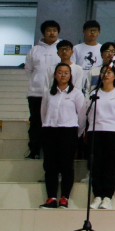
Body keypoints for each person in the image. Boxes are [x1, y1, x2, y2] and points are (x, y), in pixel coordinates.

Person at [39, 63, 86, 209]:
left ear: (70, 75)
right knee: (50, 166)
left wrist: (77, 133)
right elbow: (43, 113)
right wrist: (47, 127)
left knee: (66, 166)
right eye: (60, 72)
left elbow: (82, 116)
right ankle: (51, 197)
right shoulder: (48, 93)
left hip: (68, 131)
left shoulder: (76, 93)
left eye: (66, 73)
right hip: (50, 131)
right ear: (55, 75)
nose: (63, 75)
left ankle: (64, 197)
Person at [86, 66, 115, 210]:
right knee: (96, 165)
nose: (106, 74)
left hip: (113, 133)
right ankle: (97, 195)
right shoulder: (94, 93)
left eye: (109, 72)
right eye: (103, 72)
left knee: (110, 165)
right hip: (95, 132)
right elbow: (88, 113)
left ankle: (107, 197)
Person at [24, 20, 61, 159]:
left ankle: (52, 152)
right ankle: (34, 151)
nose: (52, 33)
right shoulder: (34, 50)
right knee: (36, 122)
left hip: (56, 93)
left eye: (54, 30)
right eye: (49, 30)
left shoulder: (62, 48)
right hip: (36, 93)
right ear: (43, 33)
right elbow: (28, 70)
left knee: (54, 122)